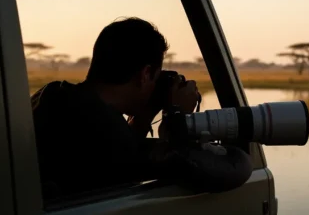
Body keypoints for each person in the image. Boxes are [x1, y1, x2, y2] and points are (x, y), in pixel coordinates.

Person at [31, 17, 253, 200]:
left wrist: (146, 113)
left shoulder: (54, 95)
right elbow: (211, 168)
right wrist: (177, 115)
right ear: (145, 74)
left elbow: (121, 147)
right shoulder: (108, 133)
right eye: (155, 77)